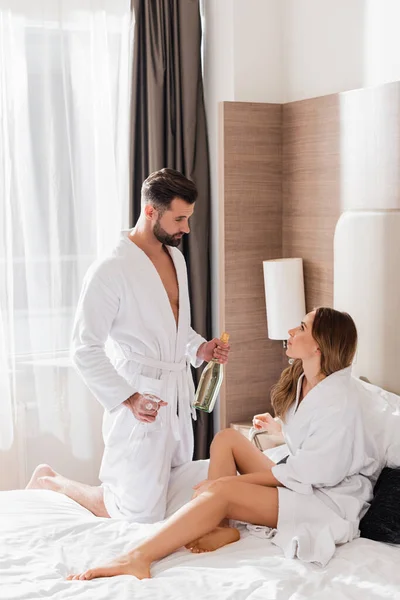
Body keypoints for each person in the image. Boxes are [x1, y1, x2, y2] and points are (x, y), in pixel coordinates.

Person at [66, 306, 379, 581]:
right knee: (228, 439)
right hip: (302, 481)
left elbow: (314, 471)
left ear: (319, 346)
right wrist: (279, 430)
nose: (290, 331)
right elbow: (314, 441)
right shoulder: (306, 380)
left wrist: (228, 483)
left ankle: (137, 558)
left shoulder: (341, 403)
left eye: (301, 328)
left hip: (323, 502)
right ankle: (219, 525)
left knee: (222, 490)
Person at [26, 168, 230, 523]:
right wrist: (129, 397)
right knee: (134, 512)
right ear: (151, 211)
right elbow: (84, 347)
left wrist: (200, 350)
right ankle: (51, 481)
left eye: (188, 218)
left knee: (173, 492)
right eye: (179, 218)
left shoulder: (176, 258)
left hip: (177, 395)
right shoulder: (111, 269)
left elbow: (174, 327)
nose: (186, 228)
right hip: (140, 394)